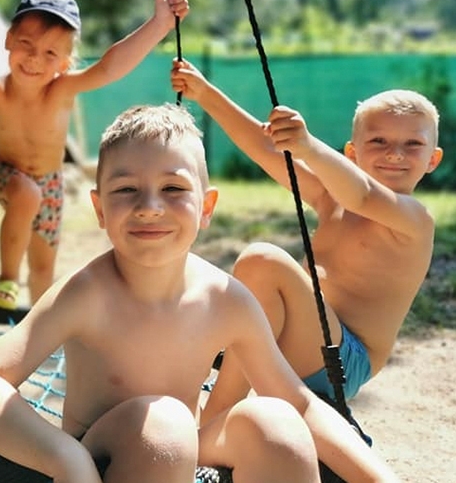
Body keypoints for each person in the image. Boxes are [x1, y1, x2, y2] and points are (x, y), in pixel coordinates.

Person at [0, 104, 399, 483]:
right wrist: (64, 457)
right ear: (100, 210)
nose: (149, 207)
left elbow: (299, 401)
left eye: (173, 188)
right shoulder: (87, 294)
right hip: (105, 457)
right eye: (126, 190)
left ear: (206, 208)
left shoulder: (225, 299)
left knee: (276, 422)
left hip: (186, 447)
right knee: (165, 424)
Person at [169, 59, 443, 424]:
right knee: (201, 278)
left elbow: (361, 196)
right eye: (379, 141)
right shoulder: (333, 199)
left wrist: (309, 146)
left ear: (432, 160)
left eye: (413, 144)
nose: (395, 153)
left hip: (343, 362)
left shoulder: (415, 221)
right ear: (351, 153)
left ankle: (215, 418)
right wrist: (204, 93)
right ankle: (192, 389)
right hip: (299, 337)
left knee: (262, 262)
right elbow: (267, 151)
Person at [0, 0, 189, 310]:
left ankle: (39, 321)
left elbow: (110, 67)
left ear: (66, 63)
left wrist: (161, 24)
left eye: (50, 53)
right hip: (6, 174)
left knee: (43, 267)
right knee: (26, 194)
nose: (34, 59)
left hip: (51, 184)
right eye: (26, 44)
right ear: (9, 40)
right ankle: (7, 280)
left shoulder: (62, 90)